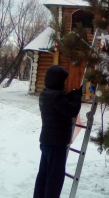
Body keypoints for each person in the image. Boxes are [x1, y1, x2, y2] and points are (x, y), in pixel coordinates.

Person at [33, 65, 82, 198]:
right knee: (54, 179)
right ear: (57, 81)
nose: (64, 83)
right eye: (63, 81)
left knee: (43, 175)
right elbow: (71, 110)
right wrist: (77, 96)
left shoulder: (45, 94)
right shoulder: (57, 97)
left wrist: (72, 95)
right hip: (57, 144)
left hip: (47, 142)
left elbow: (62, 103)